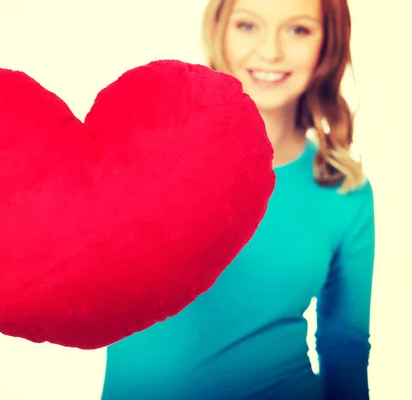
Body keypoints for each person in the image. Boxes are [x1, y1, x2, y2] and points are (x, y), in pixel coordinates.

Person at [100, 0, 375, 398]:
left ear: (327, 43)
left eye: (298, 29)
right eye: (248, 25)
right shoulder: (150, 148)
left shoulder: (344, 191)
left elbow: (344, 348)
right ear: (220, 30)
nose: (270, 51)